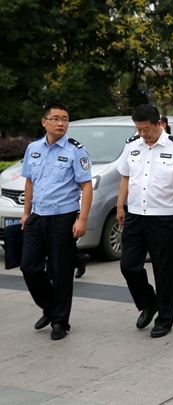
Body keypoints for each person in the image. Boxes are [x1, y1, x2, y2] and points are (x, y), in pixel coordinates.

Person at [117, 105, 173, 338]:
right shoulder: (132, 145)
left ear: (159, 124)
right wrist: (120, 206)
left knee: (163, 269)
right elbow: (125, 176)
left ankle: (165, 319)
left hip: (164, 217)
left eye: (147, 129)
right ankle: (149, 302)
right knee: (128, 265)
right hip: (135, 215)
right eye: (139, 129)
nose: (143, 133)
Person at [20, 102, 93, 340]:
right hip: (37, 216)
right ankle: (50, 308)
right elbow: (29, 181)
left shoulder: (76, 150)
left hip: (63, 217)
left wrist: (82, 219)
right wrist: (26, 212)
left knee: (61, 271)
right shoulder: (33, 148)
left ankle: (60, 321)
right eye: (56, 118)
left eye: (65, 119)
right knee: (28, 267)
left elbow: (86, 185)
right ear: (44, 122)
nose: (61, 123)